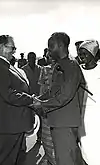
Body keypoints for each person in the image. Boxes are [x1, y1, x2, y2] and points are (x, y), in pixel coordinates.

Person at [33, 32, 86, 165]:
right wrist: (37, 99)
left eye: (51, 46)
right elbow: (53, 91)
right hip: (58, 123)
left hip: (65, 125)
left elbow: (64, 97)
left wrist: (42, 104)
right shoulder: (60, 65)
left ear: (61, 45)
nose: (49, 50)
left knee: (65, 161)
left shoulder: (71, 66)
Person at [0, 35, 36, 165]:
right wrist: (31, 100)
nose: (14, 51)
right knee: (6, 160)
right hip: (9, 124)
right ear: (2, 47)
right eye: (12, 48)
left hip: (13, 123)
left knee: (15, 159)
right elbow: (8, 94)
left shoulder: (4, 65)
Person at [78, 40, 100, 165]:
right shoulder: (77, 70)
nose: (81, 56)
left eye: (84, 54)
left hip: (97, 114)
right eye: (80, 53)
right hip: (82, 114)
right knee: (85, 146)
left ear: (93, 54)